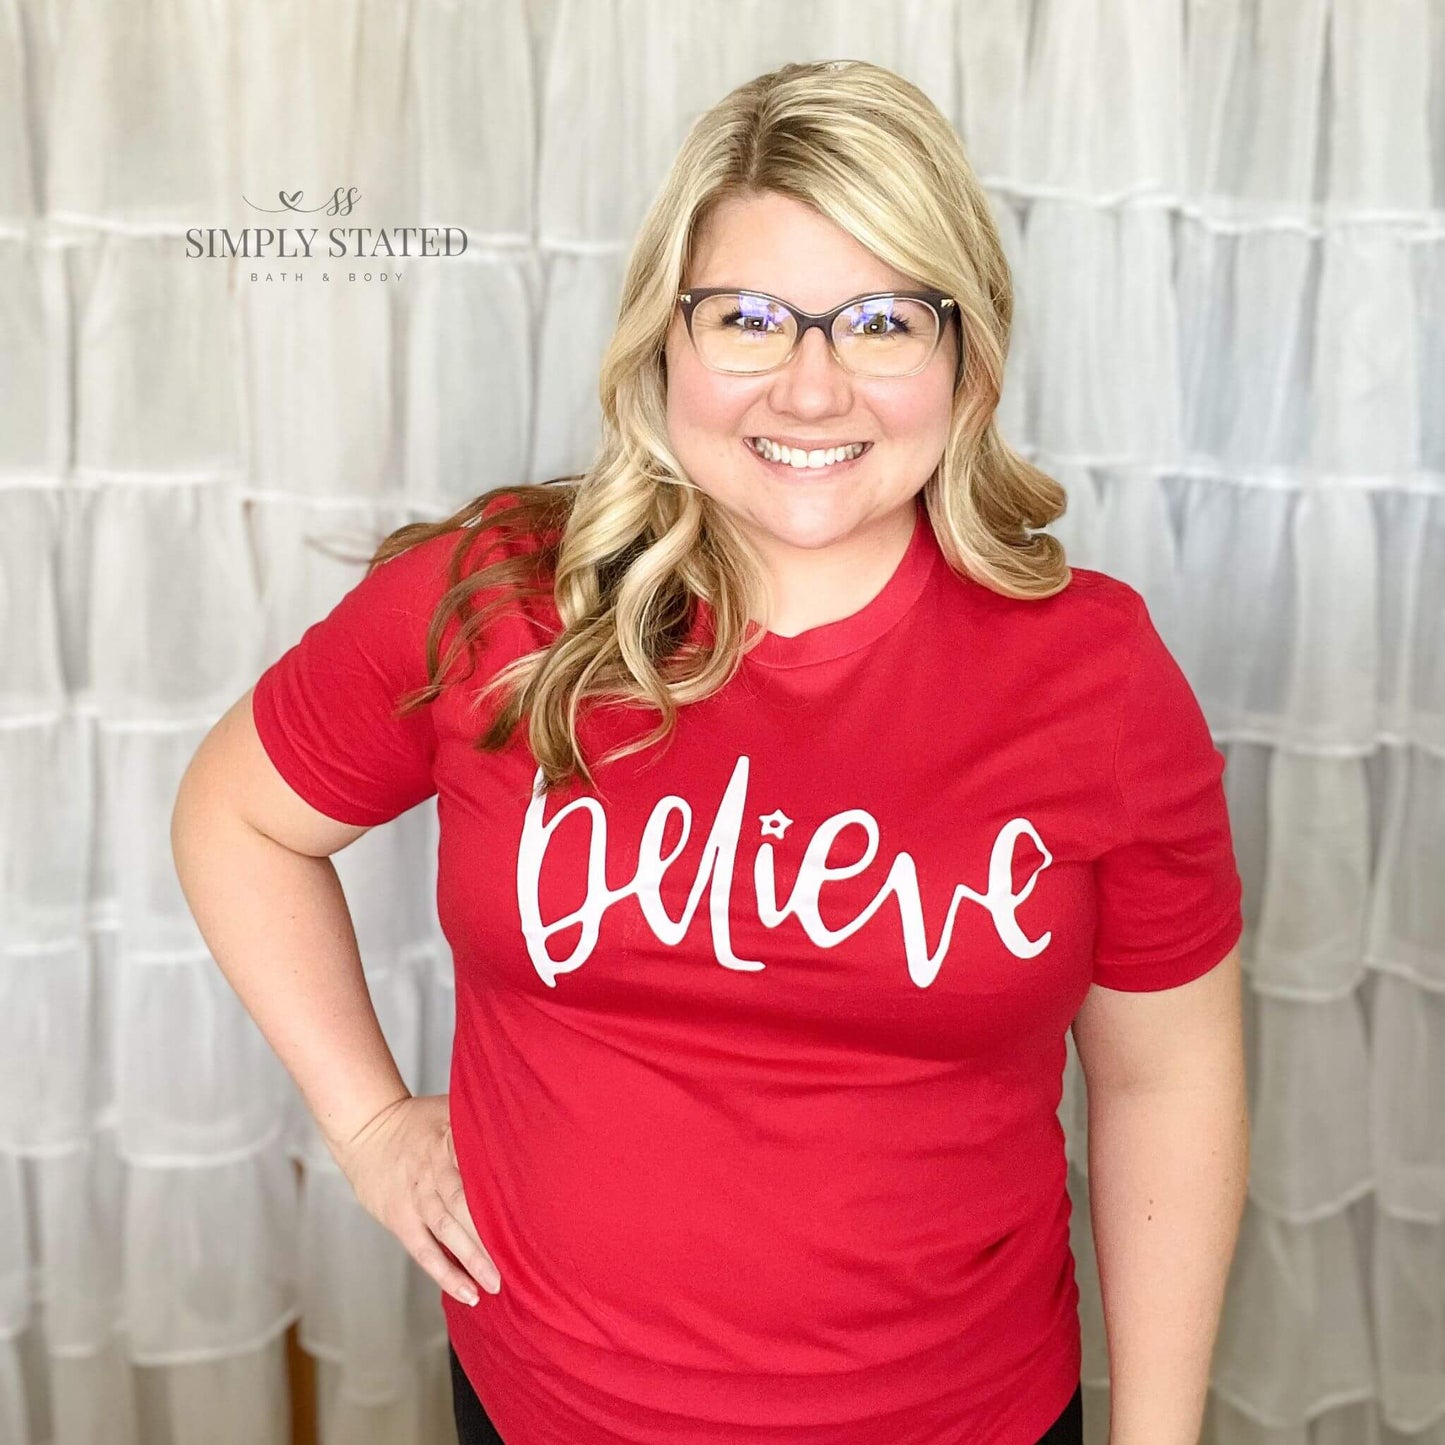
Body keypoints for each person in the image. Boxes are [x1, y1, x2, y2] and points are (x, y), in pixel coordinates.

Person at [171, 58, 1248, 1445]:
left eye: (879, 321)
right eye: (747, 317)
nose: (809, 388)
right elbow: (237, 819)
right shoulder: (498, 598)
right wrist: (373, 1126)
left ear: (965, 357)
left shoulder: (1092, 674)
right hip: (546, 1407)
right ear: (662, 343)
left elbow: (1164, 1078)